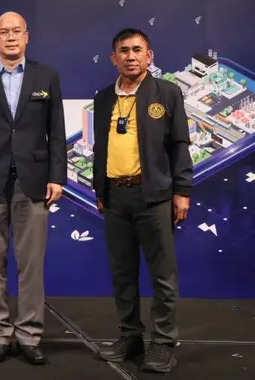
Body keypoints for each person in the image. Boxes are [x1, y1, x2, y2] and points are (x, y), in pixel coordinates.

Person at [0, 11, 65, 366]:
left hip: (33, 182)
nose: (11, 37)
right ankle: (0, 334)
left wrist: (57, 176)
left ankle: (29, 335)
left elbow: (56, 132)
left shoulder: (46, 76)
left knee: (31, 266)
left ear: (27, 36)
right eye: (4, 32)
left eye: (17, 31)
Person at [93, 28, 191, 373]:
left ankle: (163, 342)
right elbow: (100, 148)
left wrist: (182, 191)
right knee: (123, 273)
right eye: (124, 50)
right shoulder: (104, 98)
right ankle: (130, 335)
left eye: (137, 50)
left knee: (162, 274)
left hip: (154, 196)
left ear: (149, 56)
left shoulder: (167, 92)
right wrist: (100, 191)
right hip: (114, 197)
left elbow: (179, 145)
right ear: (113, 58)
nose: (131, 56)